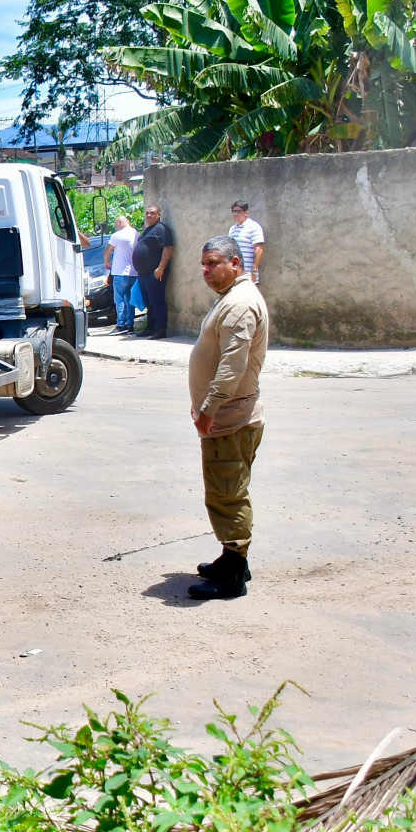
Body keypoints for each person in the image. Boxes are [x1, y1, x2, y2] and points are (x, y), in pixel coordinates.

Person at [185, 234, 268, 600]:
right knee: (224, 489)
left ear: (235, 263)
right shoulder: (231, 299)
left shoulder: (239, 304)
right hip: (227, 414)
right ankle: (232, 558)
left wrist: (209, 407)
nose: (206, 271)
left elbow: (232, 365)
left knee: (227, 493)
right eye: (203, 264)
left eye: (213, 263)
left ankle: (233, 575)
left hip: (230, 418)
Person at [134, 205, 174, 337]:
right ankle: (150, 327)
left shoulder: (161, 229)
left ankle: (160, 329)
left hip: (154, 272)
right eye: (147, 213)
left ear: (159, 215)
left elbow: (168, 249)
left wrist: (161, 268)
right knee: (149, 302)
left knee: (157, 301)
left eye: (152, 213)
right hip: (143, 274)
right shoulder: (148, 230)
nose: (149, 216)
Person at [105, 214, 139, 332]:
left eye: (116, 225)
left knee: (119, 299)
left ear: (120, 223)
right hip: (134, 273)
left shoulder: (117, 236)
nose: (116, 227)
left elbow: (107, 251)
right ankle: (130, 325)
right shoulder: (136, 234)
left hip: (120, 272)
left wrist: (107, 262)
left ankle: (120, 324)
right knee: (130, 300)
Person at [228, 201, 266, 283]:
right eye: (233, 211)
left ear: (246, 213)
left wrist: (254, 270)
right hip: (234, 274)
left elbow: (259, 249)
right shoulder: (232, 229)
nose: (235, 214)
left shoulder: (253, 227)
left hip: (248, 274)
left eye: (238, 211)